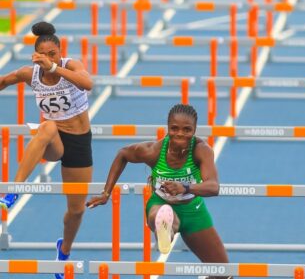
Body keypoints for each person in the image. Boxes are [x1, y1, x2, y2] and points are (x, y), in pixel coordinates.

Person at [87, 104, 232, 279]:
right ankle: (165, 230)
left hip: (193, 210)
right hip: (160, 204)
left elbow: (213, 186)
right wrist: (106, 193)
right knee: (164, 213)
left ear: (194, 130)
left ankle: (168, 230)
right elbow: (123, 154)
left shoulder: (201, 150)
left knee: (223, 273)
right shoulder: (154, 151)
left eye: (187, 130)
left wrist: (185, 187)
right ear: (168, 128)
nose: (180, 134)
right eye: (174, 128)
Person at [0, 21, 93, 278]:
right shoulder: (29, 74)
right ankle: (13, 192)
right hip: (53, 141)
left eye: (54, 54)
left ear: (61, 52)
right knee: (47, 126)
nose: (50, 59)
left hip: (78, 142)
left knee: (76, 211)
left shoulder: (70, 65)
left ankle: (64, 251)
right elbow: (5, 81)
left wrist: (55, 67)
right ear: (36, 55)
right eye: (45, 55)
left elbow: (88, 83)